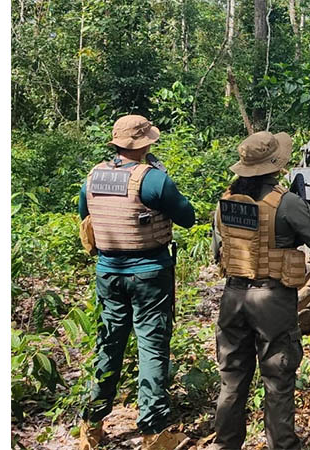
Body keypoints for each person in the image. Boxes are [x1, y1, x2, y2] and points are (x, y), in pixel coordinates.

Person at [210, 131, 310, 450]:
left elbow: (217, 251)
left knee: (231, 380)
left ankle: (225, 445)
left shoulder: (226, 201)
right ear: (275, 165)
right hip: (272, 300)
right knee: (278, 380)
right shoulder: (286, 202)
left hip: (233, 297)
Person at [77, 115, 195, 450]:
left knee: (108, 344)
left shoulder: (93, 177)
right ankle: (153, 432)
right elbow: (188, 217)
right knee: (152, 347)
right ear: (145, 143)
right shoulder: (154, 179)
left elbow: (86, 217)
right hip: (150, 274)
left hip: (108, 272)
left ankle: (92, 425)